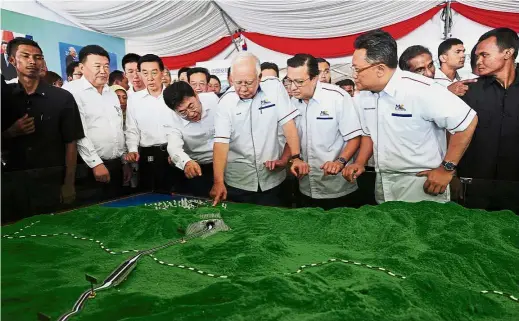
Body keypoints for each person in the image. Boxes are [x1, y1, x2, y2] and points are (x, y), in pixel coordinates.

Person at [342, 30, 478, 204]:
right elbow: (369, 133)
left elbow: (467, 122)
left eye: (357, 69)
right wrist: (360, 162)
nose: (353, 75)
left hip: (422, 186)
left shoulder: (422, 89)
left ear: (380, 69)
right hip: (383, 183)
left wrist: (447, 168)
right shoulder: (364, 96)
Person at [211, 52, 309, 206]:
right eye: (238, 82)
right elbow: (221, 144)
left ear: (259, 76)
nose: (243, 88)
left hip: (272, 179)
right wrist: (218, 182)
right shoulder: (225, 103)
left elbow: (288, 124)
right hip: (239, 181)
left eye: (249, 82)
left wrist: (295, 157)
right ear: (231, 79)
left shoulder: (274, 88)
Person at [2, 37, 84, 220]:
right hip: (13, 182)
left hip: (51, 182)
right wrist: (11, 132)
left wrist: (69, 183)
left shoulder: (62, 98)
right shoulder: (4, 97)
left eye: (38, 57)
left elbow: (71, 142)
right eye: (25, 56)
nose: (32, 61)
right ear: (12, 60)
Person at [286, 54, 362, 209]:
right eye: (289, 80)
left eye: (299, 82)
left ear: (314, 78)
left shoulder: (337, 98)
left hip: (337, 188)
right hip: (305, 186)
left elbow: (354, 137)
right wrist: (294, 159)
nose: (293, 87)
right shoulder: (291, 102)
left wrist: (340, 162)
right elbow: (290, 138)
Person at [458, 28, 519, 213]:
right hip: (475, 188)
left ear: (508, 53)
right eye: (477, 56)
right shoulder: (468, 91)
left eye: (484, 55)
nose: (478, 61)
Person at [62, 45, 131, 197]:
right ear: (81, 67)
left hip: (115, 165)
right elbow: (78, 132)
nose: (103, 70)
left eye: (106, 66)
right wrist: (96, 163)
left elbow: (118, 129)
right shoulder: (72, 92)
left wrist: (124, 162)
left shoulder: (111, 92)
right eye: (97, 66)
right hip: (88, 167)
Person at [124, 54, 175, 192]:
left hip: (174, 153)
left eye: (154, 72)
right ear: (139, 74)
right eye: (145, 73)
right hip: (148, 155)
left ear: (162, 72)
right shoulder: (134, 100)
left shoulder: (173, 95)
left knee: (177, 198)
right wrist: (133, 150)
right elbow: (131, 129)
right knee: (149, 198)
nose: (150, 78)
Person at [163, 81, 219, 197]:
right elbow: (174, 147)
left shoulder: (213, 101)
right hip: (196, 166)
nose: (190, 114)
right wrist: (186, 162)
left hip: (224, 162)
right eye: (182, 112)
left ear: (196, 94)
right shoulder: (170, 119)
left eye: (191, 106)